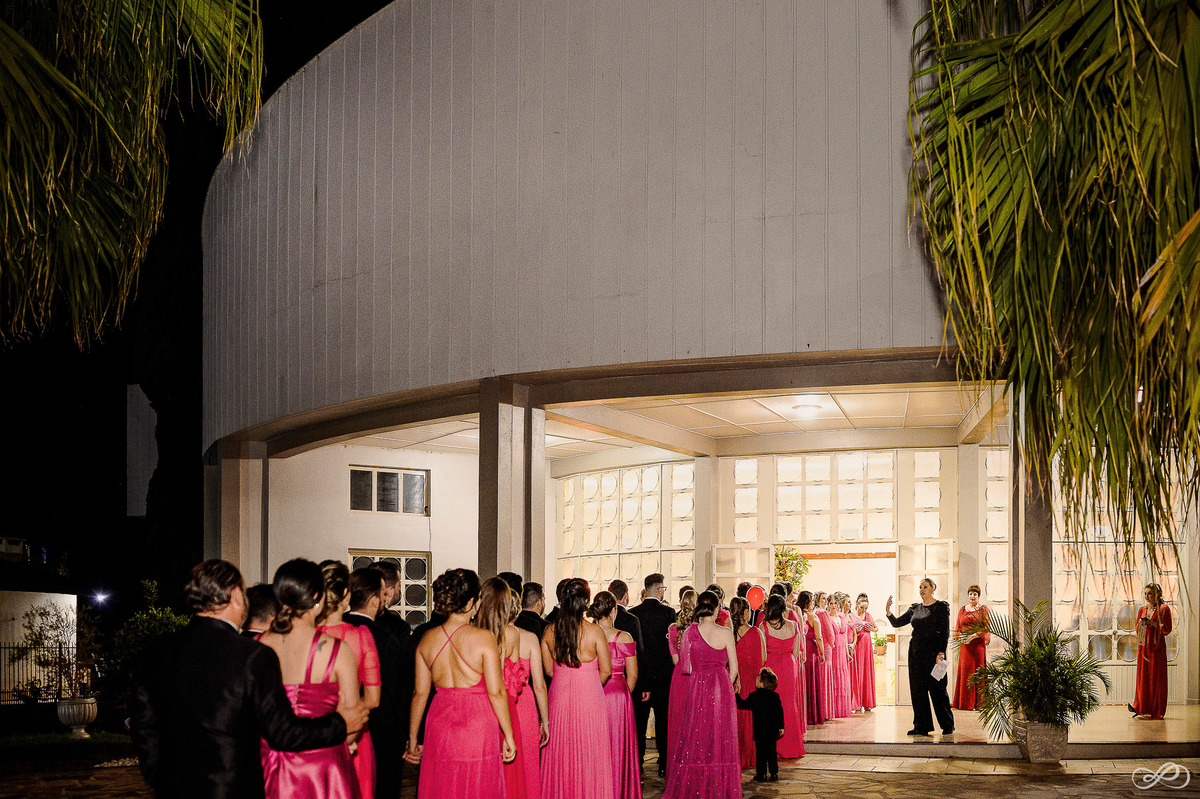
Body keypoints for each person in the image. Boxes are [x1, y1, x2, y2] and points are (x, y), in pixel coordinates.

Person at [130, 559, 367, 799]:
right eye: (244, 592)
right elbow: (282, 732)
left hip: (171, 789)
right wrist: (340, 724)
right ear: (235, 595)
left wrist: (157, 776)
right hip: (232, 789)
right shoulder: (251, 656)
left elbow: (143, 726)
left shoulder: (154, 652)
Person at [404, 569, 515, 799]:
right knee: (477, 786)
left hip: (439, 724)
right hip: (478, 725)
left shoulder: (427, 639)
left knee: (443, 785)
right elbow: (496, 692)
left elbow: (419, 693)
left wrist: (413, 738)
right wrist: (509, 735)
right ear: (473, 602)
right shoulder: (484, 639)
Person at [257, 559, 363, 799]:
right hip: (322, 767)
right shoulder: (337, 650)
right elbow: (352, 720)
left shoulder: (259, 645)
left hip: (270, 765)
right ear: (318, 598)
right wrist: (347, 741)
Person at [540, 578, 614, 799]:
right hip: (590, 697)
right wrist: (588, 683)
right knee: (590, 754)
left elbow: (549, 670)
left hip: (559, 695)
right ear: (586, 602)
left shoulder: (549, 632)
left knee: (560, 753)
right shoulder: (595, 632)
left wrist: (568, 679)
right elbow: (607, 670)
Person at [661, 591, 740, 799]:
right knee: (720, 739)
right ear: (716, 607)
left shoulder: (689, 633)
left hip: (698, 688)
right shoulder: (725, 632)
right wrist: (724, 687)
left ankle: (696, 787)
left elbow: (685, 666)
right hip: (722, 687)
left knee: (696, 739)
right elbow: (734, 669)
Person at [318, 562, 381, 798]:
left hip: (310, 730)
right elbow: (373, 699)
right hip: (355, 732)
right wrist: (346, 719)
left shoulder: (303, 637)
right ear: (346, 596)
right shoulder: (360, 637)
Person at [344, 567, 406, 799]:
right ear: (373, 600)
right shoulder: (386, 637)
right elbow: (398, 689)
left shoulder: (333, 629)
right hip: (381, 725)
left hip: (339, 721)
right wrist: (405, 735)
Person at [473, 577, 531, 799]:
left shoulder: (471, 632)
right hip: (504, 705)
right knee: (508, 773)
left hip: (476, 704)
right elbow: (515, 683)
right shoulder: (511, 633)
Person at [590, 591, 641, 799]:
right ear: (614, 610)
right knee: (619, 747)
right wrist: (622, 696)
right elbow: (633, 675)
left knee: (596, 746)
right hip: (619, 696)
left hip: (594, 692)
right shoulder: (624, 636)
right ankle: (619, 790)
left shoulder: (588, 635)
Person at [886, 578, 954, 736]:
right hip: (916, 653)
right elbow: (897, 623)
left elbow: (944, 632)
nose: (921, 589)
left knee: (938, 690)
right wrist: (888, 612)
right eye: (920, 587)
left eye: (925, 586)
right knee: (918, 690)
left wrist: (941, 652)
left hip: (934, 653)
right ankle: (921, 726)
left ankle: (947, 724)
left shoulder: (941, 607)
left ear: (933, 588)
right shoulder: (915, 608)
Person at [629, 572, 677, 776]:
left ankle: (637, 763)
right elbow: (671, 644)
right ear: (658, 590)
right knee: (664, 722)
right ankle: (664, 763)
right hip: (664, 676)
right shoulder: (668, 613)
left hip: (640, 677)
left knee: (639, 723)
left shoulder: (633, 614)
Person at [761, 594, 804, 758]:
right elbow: (795, 652)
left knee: (770, 707)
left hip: (770, 668)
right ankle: (791, 748)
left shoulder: (763, 626)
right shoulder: (794, 625)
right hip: (788, 666)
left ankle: (773, 748)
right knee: (788, 705)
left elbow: (763, 655)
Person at [730, 596, 765, 769]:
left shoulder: (728, 632)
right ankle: (750, 757)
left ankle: (735, 756)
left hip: (734, 680)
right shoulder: (755, 632)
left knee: (735, 720)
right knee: (752, 720)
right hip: (751, 680)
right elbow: (762, 659)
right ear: (745, 612)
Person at [664, 590, 697, 776]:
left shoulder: (673, 629)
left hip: (679, 678)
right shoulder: (699, 629)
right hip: (696, 677)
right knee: (695, 723)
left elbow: (676, 661)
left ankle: (678, 768)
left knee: (679, 722)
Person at [1130, 582, 1173, 720]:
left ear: (1157, 595)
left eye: (1150, 594)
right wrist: (1141, 624)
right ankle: (1141, 706)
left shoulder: (1164, 609)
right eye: (1145, 594)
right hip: (1144, 647)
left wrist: (1153, 624)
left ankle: (1157, 709)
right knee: (1143, 677)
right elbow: (1137, 628)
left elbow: (1167, 629)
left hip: (1157, 648)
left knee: (1156, 677)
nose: (1147, 597)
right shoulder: (1142, 609)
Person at [735, 668, 785, 783]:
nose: (756, 679)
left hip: (760, 732)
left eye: (758, 678)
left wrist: (736, 694)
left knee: (760, 754)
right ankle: (774, 773)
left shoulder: (754, 696)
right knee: (772, 753)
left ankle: (761, 774)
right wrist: (781, 726)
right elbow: (779, 712)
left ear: (762, 683)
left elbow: (742, 704)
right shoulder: (775, 696)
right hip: (772, 731)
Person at [951, 585, 989, 711]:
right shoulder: (963, 609)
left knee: (978, 672)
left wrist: (973, 636)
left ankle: (979, 704)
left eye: (975, 594)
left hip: (977, 646)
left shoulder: (983, 609)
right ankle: (965, 703)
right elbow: (958, 626)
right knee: (965, 673)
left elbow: (986, 627)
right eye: (970, 594)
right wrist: (960, 637)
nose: (972, 596)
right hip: (965, 646)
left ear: (979, 596)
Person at [608, 579, 646, 679]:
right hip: (626, 672)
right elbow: (639, 652)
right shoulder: (632, 619)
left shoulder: (601, 617)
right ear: (625, 596)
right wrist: (644, 684)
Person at [798, 591, 825, 725]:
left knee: (804, 683)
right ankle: (812, 715)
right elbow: (819, 638)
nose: (813, 604)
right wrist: (823, 653)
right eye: (812, 602)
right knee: (812, 682)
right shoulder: (813, 617)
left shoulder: (796, 615)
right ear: (808, 602)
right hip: (812, 652)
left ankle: (803, 714)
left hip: (801, 650)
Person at [850, 593, 877, 712]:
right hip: (858, 645)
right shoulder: (851, 615)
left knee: (866, 672)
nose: (864, 610)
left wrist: (870, 628)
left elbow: (876, 628)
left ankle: (867, 702)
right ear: (857, 604)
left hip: (867, 646)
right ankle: (857, 702)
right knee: (858, 672)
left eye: (866, 608)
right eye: (862, 607)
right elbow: (850, 629)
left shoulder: (868, 615)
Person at [813, 592, 836, 723]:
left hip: (818, 646)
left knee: (821, 678)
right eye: (823, 599)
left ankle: (820, 710)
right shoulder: (823, 613)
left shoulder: (814, 612)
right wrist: (832, 644)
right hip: (826, 646)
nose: (826, 602)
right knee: (826, 678)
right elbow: (829, 632)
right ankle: (826, 710)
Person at [830, 594, 852, 718]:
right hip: (833, 650)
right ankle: (833, 708)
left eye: (835, 604)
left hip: (841, 651)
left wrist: (847, 653)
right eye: (831, 603)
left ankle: (841, 707)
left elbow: (844, 637)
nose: (834, 606)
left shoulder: (841, 617)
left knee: (842, 677)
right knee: (834, 677)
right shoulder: (827, 617)